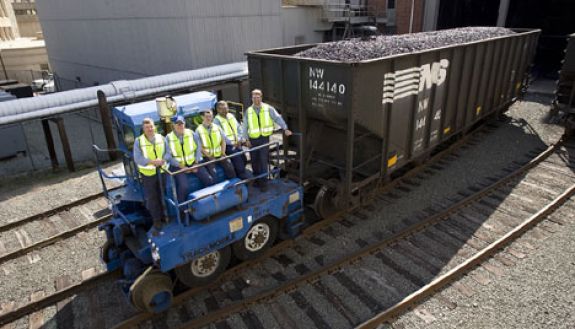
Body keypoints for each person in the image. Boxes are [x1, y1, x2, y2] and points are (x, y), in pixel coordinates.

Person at [242, 89, 292, 191]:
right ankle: (257, 180)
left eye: (258, 97)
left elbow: (277, 118)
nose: (256, 99)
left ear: (261, 97)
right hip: (253, 140)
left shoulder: (268, 108)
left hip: (264, 139)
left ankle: (263, 184)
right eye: (254, 97)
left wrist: (285, 128)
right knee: (254, 161)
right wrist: (246, 139)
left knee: (263, 161)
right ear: (252, 98)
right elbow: (244, 126)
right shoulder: (249, 111)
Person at [166, 115, 214, 203]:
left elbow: (198, 148)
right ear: (173, 125)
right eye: (177, 124)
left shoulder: (191, 133)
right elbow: (168, 156)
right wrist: (182, 167)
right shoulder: (168, 138)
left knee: (208, 179)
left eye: (182, 123)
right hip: (178, 166)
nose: (180, 126)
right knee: (184, 186)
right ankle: (182, 209)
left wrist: (196, 163)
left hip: (193, 162)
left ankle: (209, 202)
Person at [133, 118, 169, 230]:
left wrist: (162, 160)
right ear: (143, 129)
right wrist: (152, 162)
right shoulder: (138, 141)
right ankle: (157, 220)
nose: (150, 129)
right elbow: (137, 158)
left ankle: (166, 216)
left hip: (162, 172)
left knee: (164, 194)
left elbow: (169, 153)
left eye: (151, 126)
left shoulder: (162, 138)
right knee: (153, 198)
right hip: (148, 175)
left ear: (155, 127)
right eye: (147, 127)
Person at [196, 109, 237, 180]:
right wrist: (209, 156)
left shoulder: (217, 127)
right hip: (208, 157)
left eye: (210, 116)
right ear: (202, 117)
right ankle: (216, 189)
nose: (209, 118)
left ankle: (234, 185)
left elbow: (223, 140)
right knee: (213, 174)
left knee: (230, 167)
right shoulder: (198, 130)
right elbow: (200, 147)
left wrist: (223, 153)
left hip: (219, 154)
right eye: (207, 117)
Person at [213, 101, 250, 180]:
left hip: (237, 143)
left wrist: (240, 139)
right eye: (222, 109)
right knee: (238, 161)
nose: (225, 110)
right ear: (218, 110)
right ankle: (243, 179)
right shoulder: (216, 121)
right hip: (228, 146)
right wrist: (232, 143)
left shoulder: (231, 116)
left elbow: (239, 128)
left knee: (244, 159)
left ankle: (240, 175)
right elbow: (222, 135)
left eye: (226, 108)